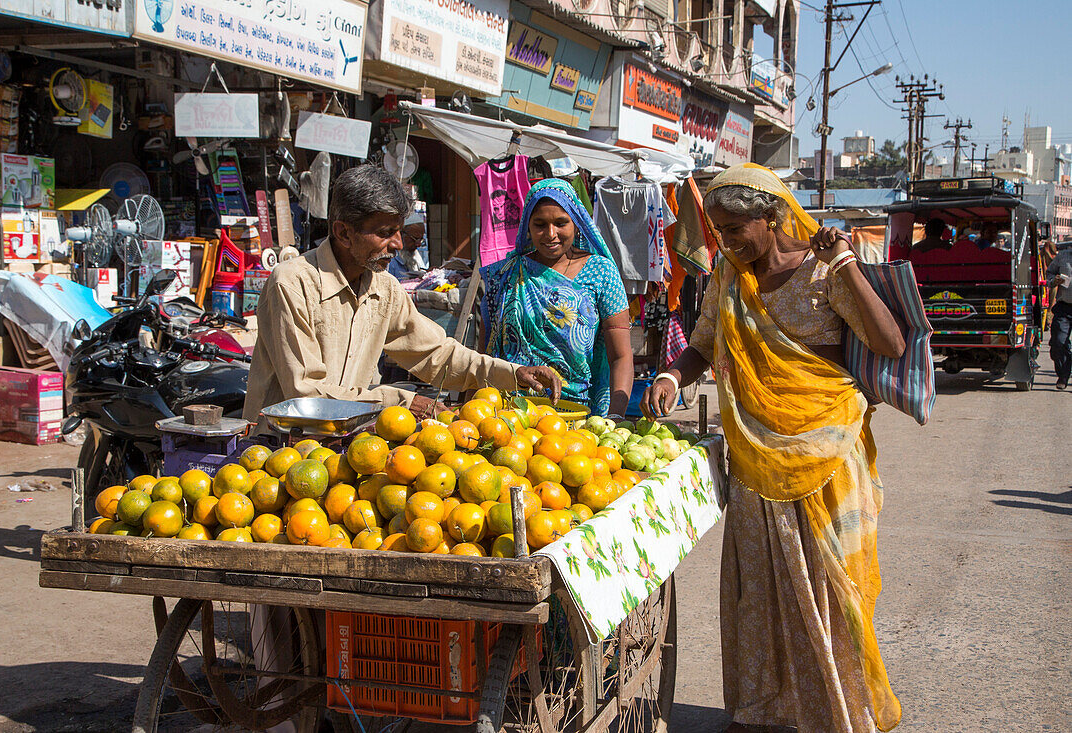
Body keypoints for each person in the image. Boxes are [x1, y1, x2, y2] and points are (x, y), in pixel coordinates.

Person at [641, 163, 906, 733]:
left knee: (833, 591)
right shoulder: (729, 276)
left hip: (828, 456)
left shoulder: (824, 272)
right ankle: (762, 710)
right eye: (719, 231)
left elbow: (889, 341)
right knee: (758, 590)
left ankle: (837, 711)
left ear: (773, 217)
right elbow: (705, 344)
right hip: (756, 461)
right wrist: (669, 376)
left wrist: (848, 267)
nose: (728, 242)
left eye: (737, 229)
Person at [245, 165, 561, 423]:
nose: (397, 243)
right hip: (276, 454)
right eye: (384, 233)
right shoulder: (291, 283)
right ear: (343, 232)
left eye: (399, 230)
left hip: (345, 451)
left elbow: (437, 354)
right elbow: (307, 395)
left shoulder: (384, 288)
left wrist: (511, 373)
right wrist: (399, 400)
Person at [480, 178, 633, 417]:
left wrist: (616, 417)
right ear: (527, 227)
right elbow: (484, 353)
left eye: (561, 223)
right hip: (510, 412)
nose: (551, 234)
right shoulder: (506, 274)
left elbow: (620, 355)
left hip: (577, 414)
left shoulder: (602, 273)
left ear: (577, 223)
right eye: (540, 224)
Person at [1045, 241, 1072, 389]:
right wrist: (1053, 281)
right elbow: (1049, 273)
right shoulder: (1062, 256)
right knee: (1058, 343)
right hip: (1064, 308)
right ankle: (1063, 375)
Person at [387, 211, 428, 281]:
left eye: (420, 239)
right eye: (415, 239)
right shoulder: (389, 261)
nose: (418, 244)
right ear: (400, 234)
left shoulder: (415, 255)